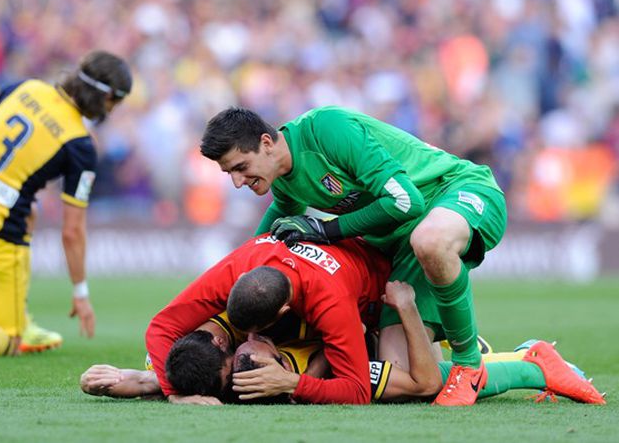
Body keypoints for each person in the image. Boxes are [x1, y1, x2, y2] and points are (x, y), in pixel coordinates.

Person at [201, 105, 507, 405]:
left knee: (430, 240)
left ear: (266, 143)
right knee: (403, 378)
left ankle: (468, 361)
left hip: (458, 190)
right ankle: (527, 363)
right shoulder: (283, 178)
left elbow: (406, 202)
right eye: (230, 173)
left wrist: (328, 230)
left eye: (240, 167)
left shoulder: (327, 130)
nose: (237, 182)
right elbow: (274, 226)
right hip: (404, 247)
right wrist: (239, 276)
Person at [81, 283, 605, 405]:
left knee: (424, 385)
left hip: (387, 298)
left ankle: (532, 362)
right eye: (232, 386)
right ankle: (527, 358)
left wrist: (295, 382)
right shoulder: (223, 351)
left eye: (237, 366)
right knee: (420, 387)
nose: (242, 374)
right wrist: (151, 382)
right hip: (364, 331)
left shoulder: (253, 315)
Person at [0, 50, 132, 360]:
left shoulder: (24, 87)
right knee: (8, 342)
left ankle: (22, 319)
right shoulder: (80, 145)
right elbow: (72, 232)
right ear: (107, 99)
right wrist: (81, 293)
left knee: (29, 213)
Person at [145, 234, 391, 404]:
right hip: (331, 274)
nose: (248, 339)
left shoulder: (332, 303)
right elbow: (160, 328)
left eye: (257, 330)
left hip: (387, 291)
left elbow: (358, 392)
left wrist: (292, 383)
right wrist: (173, 393)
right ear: (238, 281)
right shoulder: (236, 266)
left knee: (414, 381)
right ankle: (149, 379)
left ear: (283, 312)